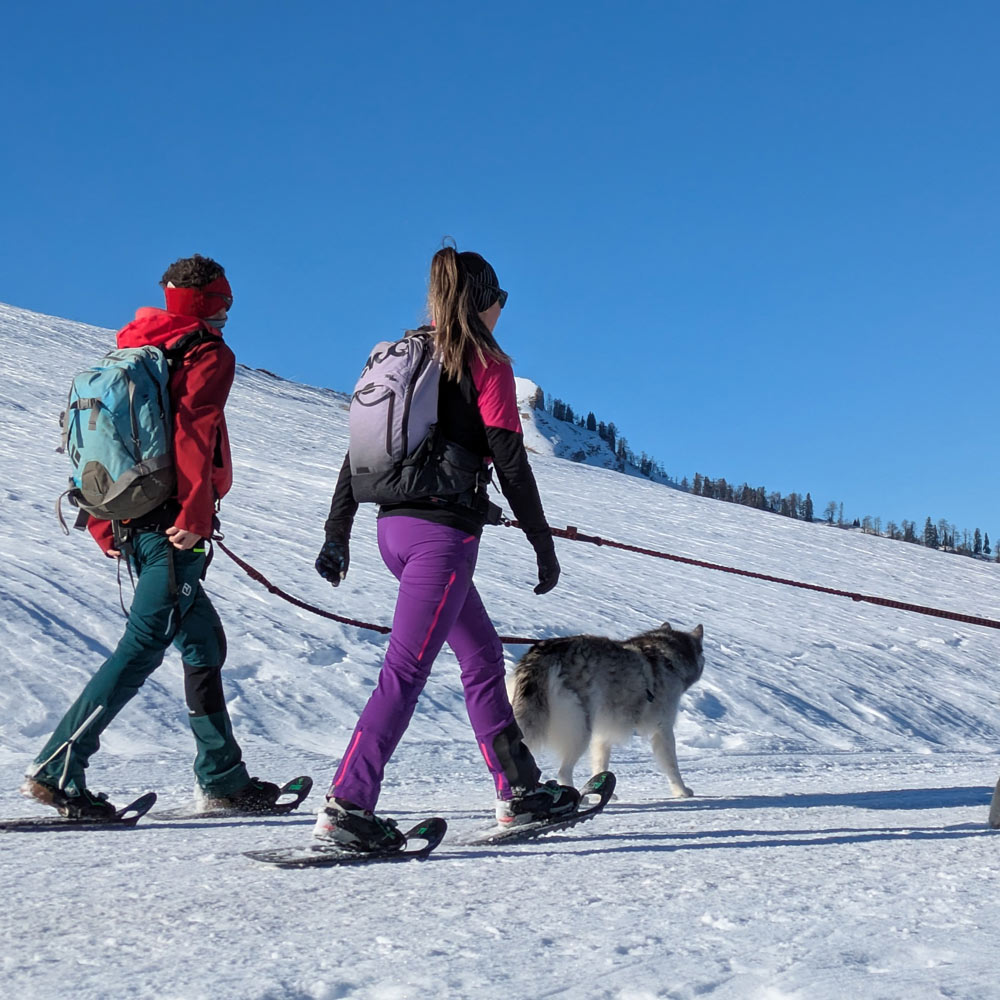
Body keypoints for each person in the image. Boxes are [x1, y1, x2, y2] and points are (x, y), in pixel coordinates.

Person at [313, 246, 579, 850]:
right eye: (501, 300)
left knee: (483, 657)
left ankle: (520, 791)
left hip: (395, 532)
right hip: (440, 541)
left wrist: (338, 532)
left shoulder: (409, 356)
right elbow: (510, 461)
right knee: (404, 673)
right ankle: (348, 805)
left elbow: (360, 453)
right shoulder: (484, 361)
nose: (503, 311)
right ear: (486, 301)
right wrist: (543, 544)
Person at [22, 254, 282, 818]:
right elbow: (194, 430)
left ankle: (222, 777)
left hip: (131, 516)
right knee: (143, 645)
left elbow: (88, 440)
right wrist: (194, 514)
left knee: (203, 643)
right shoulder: (205, 352)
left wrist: (100, 518)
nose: (229, 314)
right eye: (225, 303)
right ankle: (57, 768)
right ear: (211, 303)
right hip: (172, 526)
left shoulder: (132, 349)